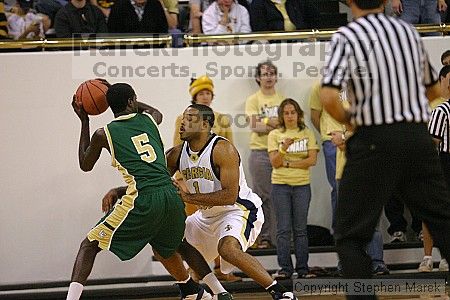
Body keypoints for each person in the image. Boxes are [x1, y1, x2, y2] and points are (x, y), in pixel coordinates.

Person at [320, 1, 450, 298]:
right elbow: (432, 89)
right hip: (417, 137)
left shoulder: (347, 35)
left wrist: (353, 119)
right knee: (443, 222)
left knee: (350, 235)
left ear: (349, 2)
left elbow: (328, 96)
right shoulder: (406, 32)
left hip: (374, 138)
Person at [68, 82, 230, 300]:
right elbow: (152, 110)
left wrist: (85, 120)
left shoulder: (103, 133)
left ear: (110, 106)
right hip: (170, 193)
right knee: (180, 244)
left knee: (89, 246)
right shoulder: (149, 118)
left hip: (143, 198)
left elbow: (85, 164)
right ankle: (217, 292)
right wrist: (118, 94)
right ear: (132, 101)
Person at [167, 104, 297, 300]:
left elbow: (229, 196)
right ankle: (216, 293)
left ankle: (281, 293)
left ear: (204, 124)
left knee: (227, 249)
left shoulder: (222, 149)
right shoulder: (175, 155)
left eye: (190, 118)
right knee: (168, 239)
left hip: (238, 210)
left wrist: (187, 197)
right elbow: (153, 183)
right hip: (206, 216)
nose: (183, 122)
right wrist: (121, 191)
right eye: (183, 117)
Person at [173, 75, 240, 283]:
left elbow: (231, 148)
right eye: (201, 92)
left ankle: (222, 270)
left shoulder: (223, 119)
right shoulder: (182, 119)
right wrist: (181, 179)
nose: (205, 96)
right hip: (192, 180)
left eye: (208, 93)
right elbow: (178, 149)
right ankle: (196, 272)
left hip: (217, 183)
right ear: (194, 96)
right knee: (197, 231)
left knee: (222, 224)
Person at [267, 98, 319, 279]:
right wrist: (284, 148)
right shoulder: (274, 134)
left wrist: (287, 163)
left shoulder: (307, 132)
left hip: (302, 186)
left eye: (293, 112)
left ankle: (303, 269)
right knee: (283, 229)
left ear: (298, 114)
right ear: (281, 115)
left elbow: (312, 160)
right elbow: (275, 163)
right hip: (280, 186)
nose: (290, 116)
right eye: (286, 113)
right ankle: (285, 269)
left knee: (300, 229)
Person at [244, 60, 284, 249]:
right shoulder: (254, 99)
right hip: (260, 152)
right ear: (258, 78)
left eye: (271, 73)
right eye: (265, 74)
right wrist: (273, 122)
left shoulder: (283, 100)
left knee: (280, 196)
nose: (268, 77)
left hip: (281, 152)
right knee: (262, 196)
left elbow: (287, 126)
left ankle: (280, 237)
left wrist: (265, 122)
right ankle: (264, 237)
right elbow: (255, 126)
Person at [418, 65, 450, 273]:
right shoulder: (441, 111)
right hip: (444, 164)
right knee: (432, 211)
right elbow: (432, 142)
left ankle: (445, 258)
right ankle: (428, 257)